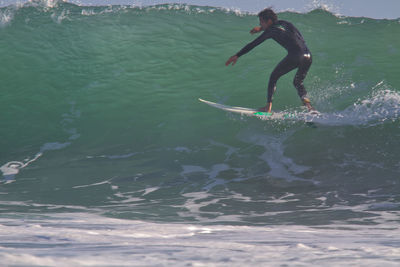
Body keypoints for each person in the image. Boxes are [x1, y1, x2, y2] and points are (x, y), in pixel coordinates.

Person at [225, 8, 315, 112]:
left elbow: (254, 44)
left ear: (268, 21)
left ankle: (268, 107)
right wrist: (261, 29)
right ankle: (309, 107)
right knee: (298, 82)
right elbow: (289, 33)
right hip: (308, 55)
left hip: (295, 55)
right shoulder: (285, 23)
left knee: (273, 76)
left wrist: (237, 55)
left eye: (261, 22)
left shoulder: (271, 31)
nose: (260, 24)